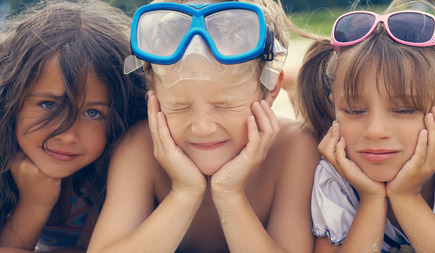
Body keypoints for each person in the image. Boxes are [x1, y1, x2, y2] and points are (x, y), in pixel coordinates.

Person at [87, 0, 321, 252]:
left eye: (225, 106)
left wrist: (229, 195)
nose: (202, 128)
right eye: (180, 107)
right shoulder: (139, 149)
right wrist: (184, 193)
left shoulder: (294, 149)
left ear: (271, 89)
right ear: (152, 95)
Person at [295, 0, 435, 251]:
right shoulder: (336, 177)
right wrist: (371, 198)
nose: (375, 131)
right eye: (354, 110)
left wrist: (406, 197)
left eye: (404, 109)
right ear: (334, 107)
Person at [0, 0, 147, 252]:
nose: (68, 135)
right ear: (11, 99)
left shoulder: (114, 174)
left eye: (93, 112)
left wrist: (35, 205)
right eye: (48, 104)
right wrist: (34, 206)